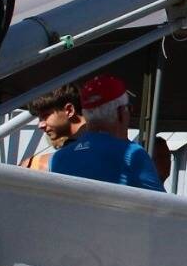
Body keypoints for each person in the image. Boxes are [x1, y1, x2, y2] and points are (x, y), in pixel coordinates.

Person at [27, 80, 162, 190]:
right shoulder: (133, 155)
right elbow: (166, 211)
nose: (40, 125)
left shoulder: (56, 160)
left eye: (45, 116)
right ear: (122, 112)